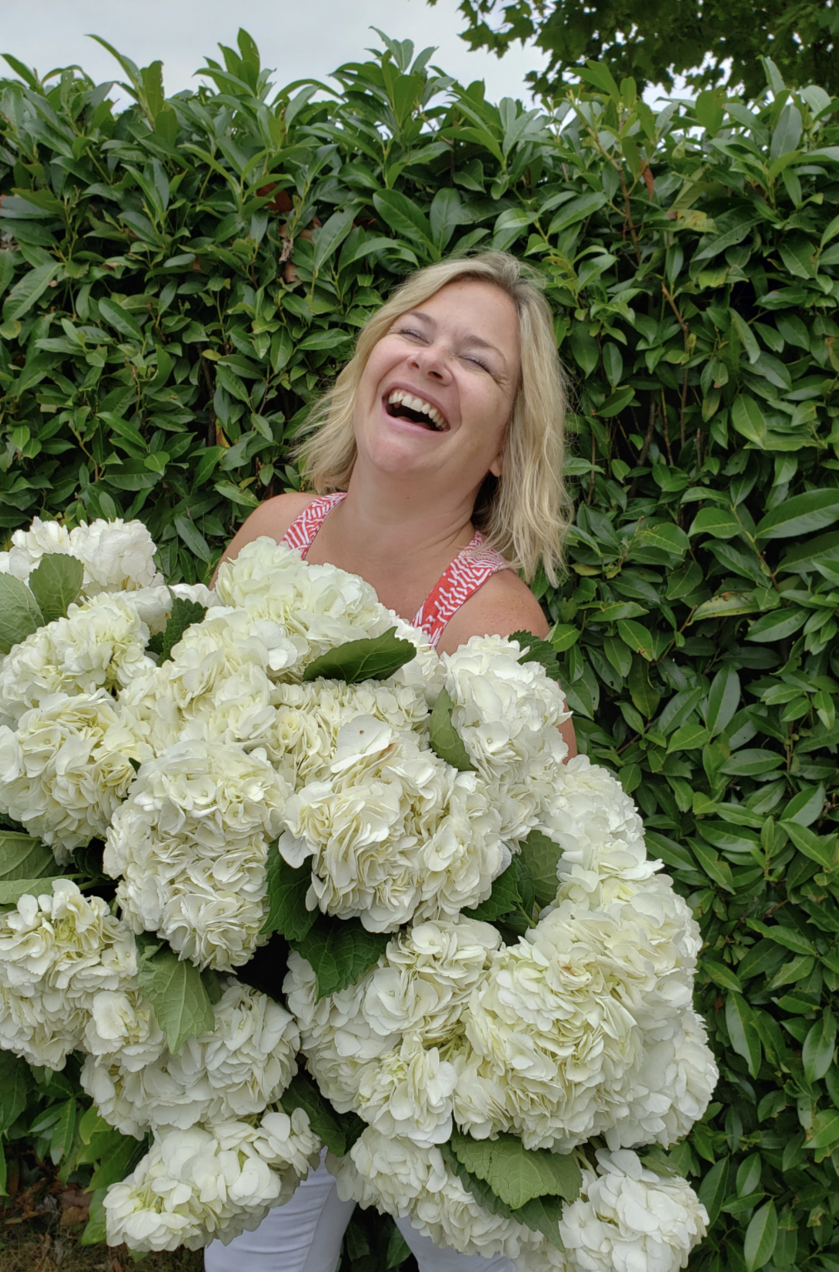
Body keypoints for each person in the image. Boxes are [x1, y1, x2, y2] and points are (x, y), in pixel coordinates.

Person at [207, 251, 576, 1272]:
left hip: (410, 1060)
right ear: (373, 358)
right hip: (248, 1037)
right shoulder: (274, 531)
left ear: (504, 445)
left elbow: (546, 881)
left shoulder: (495, 622)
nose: (432, 362)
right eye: (414, 331)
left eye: (478, 361)